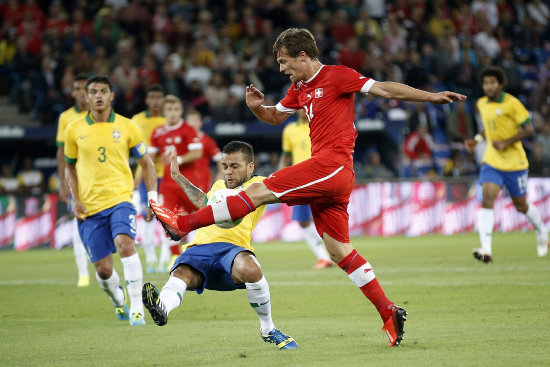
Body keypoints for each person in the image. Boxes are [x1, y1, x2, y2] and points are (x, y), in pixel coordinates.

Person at [150, 27, 466, 347]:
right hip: (329, 179)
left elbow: (383, 89)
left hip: (332, 166)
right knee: (337, 250)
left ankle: (182, 224)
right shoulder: (300, 88)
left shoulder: (338, 75)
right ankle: (388, 312)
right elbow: (275, 117)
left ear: (303, 56)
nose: (281, 68)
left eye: (284, 61)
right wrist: (257, 107)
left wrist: (430, 96)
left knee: (256, 192)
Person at [143, 141, 297, 350]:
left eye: (235, 166)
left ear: (250, 167)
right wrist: (178, 177)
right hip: (201, 248)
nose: (228, 172)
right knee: (180, 273)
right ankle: (162, 308)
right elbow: (203, 201)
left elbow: (289, 191)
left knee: (251, 268)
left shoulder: (259, 185)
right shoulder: (218, 186)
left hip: (232, 251)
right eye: (225, 166)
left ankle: (268, 328)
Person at [65, 75, 158, 325]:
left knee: (125, 243)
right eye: (93, 91)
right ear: (85, 96)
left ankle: (137, 306)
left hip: (121, 199)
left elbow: (147, 164)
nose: (98, 96)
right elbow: (69, 168)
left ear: (111, 95)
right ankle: (118, 300)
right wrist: (75, 200)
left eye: (103, 91)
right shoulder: (74, 129)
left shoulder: (128, 126)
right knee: (104, 271)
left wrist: (152, 197)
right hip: (89, 207)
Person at [465, 66, 548, 263]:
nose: (489, 86)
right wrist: (476, 139)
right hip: (492, 161)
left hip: (515, 163)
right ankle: (486, 249)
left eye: (493, 82)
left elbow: (528, 128)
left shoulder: (513, 103)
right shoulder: (482, 104)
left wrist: (506, 142)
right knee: (487, 198)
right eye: (486, 83)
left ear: (501, 84)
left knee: (521, 205)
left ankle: (541, 231)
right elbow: (489, 128)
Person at [149, 95, 203, 272]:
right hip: (168, 185)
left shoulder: (188, 130)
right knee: (169, 222)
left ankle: (203, 252)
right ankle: (174, 257)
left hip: (188, 183)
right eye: (169, 110)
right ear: (164, 111)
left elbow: (197, 153)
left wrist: (176, 159)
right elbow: (150, 158)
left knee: (202, 217)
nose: (173, 113)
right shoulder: (157, 132)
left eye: (176, 110)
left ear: (180, 111)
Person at [279, 111, 332, 269]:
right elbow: (286, 156)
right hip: (299, 181)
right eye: (300, 106)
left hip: (320, 178)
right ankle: (324, 257)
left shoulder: (320, 126)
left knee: (326, 218)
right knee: (303, 221)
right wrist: (279, 178)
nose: (303, 108)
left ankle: (335, 254)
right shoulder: (289, 130)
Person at [55, 74, 91, 287]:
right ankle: (83, 273)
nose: (81, 93)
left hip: (98, 181)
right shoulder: (66, 117)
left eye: (85, 89)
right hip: (77, 180)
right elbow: (62, 154)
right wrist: (63, 183)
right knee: (79, 225)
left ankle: (101, 270)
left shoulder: (100, 116)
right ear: (73, 92)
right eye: (77, 89)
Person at [132, 84, 166, 273]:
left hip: (166, 175)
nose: (155, 101)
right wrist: (136, 175)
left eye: (158, 97)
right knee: (147, 215)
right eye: (151, 97)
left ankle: (164, 257)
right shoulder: (137, 120)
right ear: (146, 100)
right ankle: (151, 258)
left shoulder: (168, 119)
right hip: (146, 175)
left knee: (167, 216)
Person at [185, 109, 223, 193]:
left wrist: (218, 182)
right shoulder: (181, 141)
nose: (193, 123)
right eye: (190, 120)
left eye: (195, 120)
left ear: (201, 122)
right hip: (184, 182)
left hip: (202, 182)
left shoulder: (207, 141)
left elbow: (221, 161)